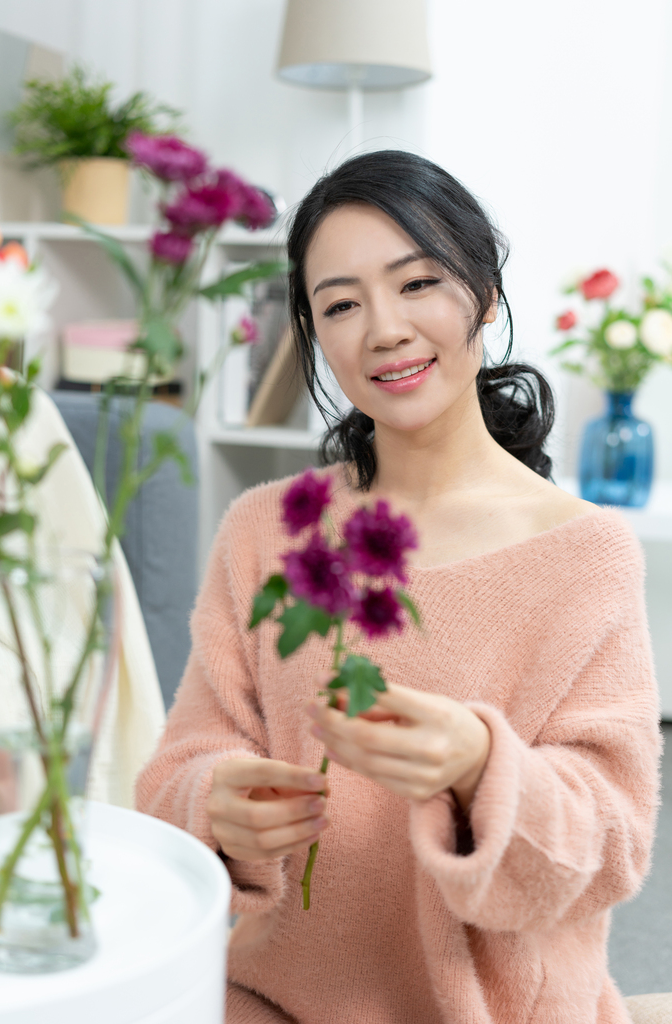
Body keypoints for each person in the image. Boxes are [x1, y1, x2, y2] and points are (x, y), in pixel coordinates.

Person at [135, 151, 661, 1024]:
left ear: (484, 298)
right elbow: (180, 767)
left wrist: (479, 769)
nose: (382, 328)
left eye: (416, 283)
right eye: (340, 304)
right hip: (271, 997)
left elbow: (610, 842)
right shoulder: (268, 531)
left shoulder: (585, 553)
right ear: (314, 335)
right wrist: (213, 802)